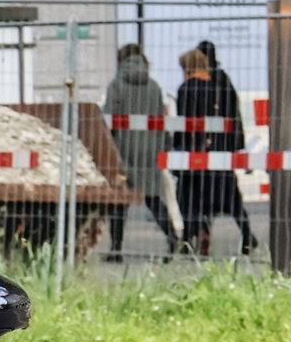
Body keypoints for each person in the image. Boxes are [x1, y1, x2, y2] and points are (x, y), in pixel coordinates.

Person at [102, 43, 179, 257]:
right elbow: (160, 119)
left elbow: (109, 119)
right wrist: (162, 146)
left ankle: (116, 249)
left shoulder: (116, 85)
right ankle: (172, 237)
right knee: (154, 199)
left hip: (123, 150)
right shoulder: (154, 86)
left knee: (119, 203)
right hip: (150, 150)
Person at [173, 47, 248, 257]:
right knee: (230, 197)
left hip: (192, 151)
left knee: (188, 196)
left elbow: (183, 124)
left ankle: (193, 237)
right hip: (217, 149)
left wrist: (177, 148)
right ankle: (247, 234)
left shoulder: (185, 89)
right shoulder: (217, 87)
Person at [193, 38, 258, 253]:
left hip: (205, 147)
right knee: (231, 196)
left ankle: (205, 239)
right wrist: (236, 144)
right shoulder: (224, 80)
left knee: (202, 195)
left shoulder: (200, 81)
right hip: (223, 147)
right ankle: (247, 235)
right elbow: (235, 115)